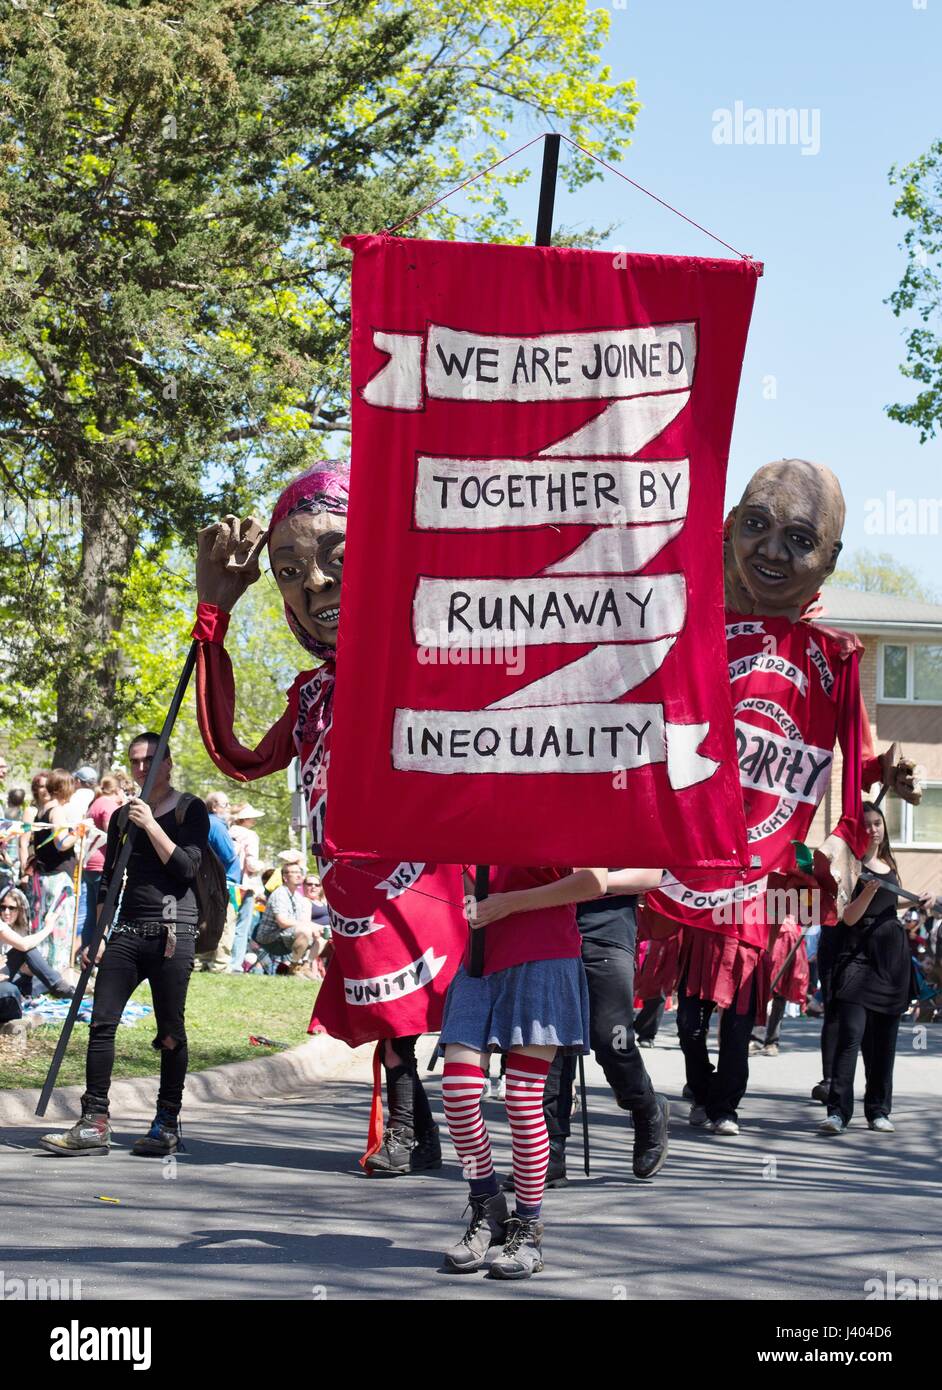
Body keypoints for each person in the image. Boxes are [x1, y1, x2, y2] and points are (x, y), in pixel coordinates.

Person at [192, 465, 467, 1177]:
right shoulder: (314, 692)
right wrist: (212, 616)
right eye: (288, 569)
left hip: (436, 871)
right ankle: (416, 1129)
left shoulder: (432, 655)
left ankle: (471, 1130)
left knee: (424, 1002)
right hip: (347, 880)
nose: (313, 584)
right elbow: (238, 756)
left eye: (337, 559)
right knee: (388, 1008)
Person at [639, 459, 921, 1136]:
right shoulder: (686, 628)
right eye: (757, 526)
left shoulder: (833, 657)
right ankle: (699, 1081)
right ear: (729, 526)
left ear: (827, 560)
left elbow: (852, 756)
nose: (772, 550)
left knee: (738, 991)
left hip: (763, 872)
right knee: (691, 998)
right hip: (692, 857)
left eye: (799, 539)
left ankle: (725, 1097)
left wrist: (886, 772)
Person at [39, 733, 210, 1158]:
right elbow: (110, 882)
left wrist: (151, 823)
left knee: (170, 1033)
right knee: (101, 1023)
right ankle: (94, 1121)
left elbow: (188, 867)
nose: (141, 768)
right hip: (128, 931)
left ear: (167, 763)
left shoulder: (190, 809)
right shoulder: (119, 818)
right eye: (135, 760)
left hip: (174, 932)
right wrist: (94, 936)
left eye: (149, 760)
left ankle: (167, 1120)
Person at [439, 866, 603, 1281]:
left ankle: (527, 1226)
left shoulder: (565, 806)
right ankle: (488, 1205)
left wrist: (507, 904)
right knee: (458, 1093)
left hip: (546, 959)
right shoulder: (475, 809)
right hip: (479, 962)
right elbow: (473, 891)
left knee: (522, 1099)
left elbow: (593, 881)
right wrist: (475, 900)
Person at [538, 868, 670, 1187]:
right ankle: (550, 1151)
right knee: (548, 1043)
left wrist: (587, 882)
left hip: (607, 934)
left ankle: (646, 1108)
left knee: (611, 1036)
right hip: (547, 932)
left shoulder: (625, 818)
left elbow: (651, 876)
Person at [819, 803, 926, 1135]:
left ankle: (879, 1110)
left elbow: (888, 904)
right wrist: (866, 893)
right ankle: (838, 1112)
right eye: (866, 825)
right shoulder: (849, 866)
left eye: (878, 823)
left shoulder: (889, 864)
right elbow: (847, 916)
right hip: (856, 958)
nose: (874, 829)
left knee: (884, 1043)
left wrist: (916, 901)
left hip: (890, 962)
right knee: (850, 1036)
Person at [31, 768, 78, 973]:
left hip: (44, 875)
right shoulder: (57, 811)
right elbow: (61, 843)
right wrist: (79, 831)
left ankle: (43, 968)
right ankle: (56, 970)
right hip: (58, 875)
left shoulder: (42, 809)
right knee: (60, 923)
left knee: (44, 922)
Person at [0, 885, 74, 1002]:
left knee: (46, 976)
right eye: (3, 907)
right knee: (26, 950)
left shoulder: (22, 928)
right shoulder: (2, 927)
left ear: (19, 910)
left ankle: (60, 987)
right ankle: (61, 988)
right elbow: (23, 945)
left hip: (17, 975)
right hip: (5, 976)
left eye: (11, 908)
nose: (6, 912)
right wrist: (48, 928)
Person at [195, 790, 240, 972]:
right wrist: (237, 846)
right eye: (226, 805)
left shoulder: (203, 822)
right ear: (214, 807)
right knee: (224, 922)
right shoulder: (218, 825)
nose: (229, 808)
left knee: (205, 921)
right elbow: (229, 855)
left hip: (207, 881)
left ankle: (201, 960)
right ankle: (220, 964)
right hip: (224, 882)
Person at [81, 774, 125, 951]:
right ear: (117, 789)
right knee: (106, 916)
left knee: (91, 915)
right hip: (103, 864)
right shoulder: (108, 804)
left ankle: (87, 952)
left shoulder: (96, 802)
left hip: (90, 863)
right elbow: (113, 832)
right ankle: (100, 954)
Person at [253, 860, 313, 969]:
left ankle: (305, 966)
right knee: (305, 931)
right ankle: (294, 967)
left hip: (284, 935)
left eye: (300, 872)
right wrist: (309, 926)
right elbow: (282, 922)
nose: (299, 875)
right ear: (285, 877)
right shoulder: (280, 894)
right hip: (270, 938)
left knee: (321, 936)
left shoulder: (298, 897)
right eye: (294, 872)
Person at [228, 801, 265, 973]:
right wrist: (262, 866)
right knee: (242, 925)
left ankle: (221, 959)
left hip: (227, 882)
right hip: (245, 885)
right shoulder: (250, 835)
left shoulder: (228, 831)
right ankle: (235, 963)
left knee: (226, 923)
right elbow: (251, 864)